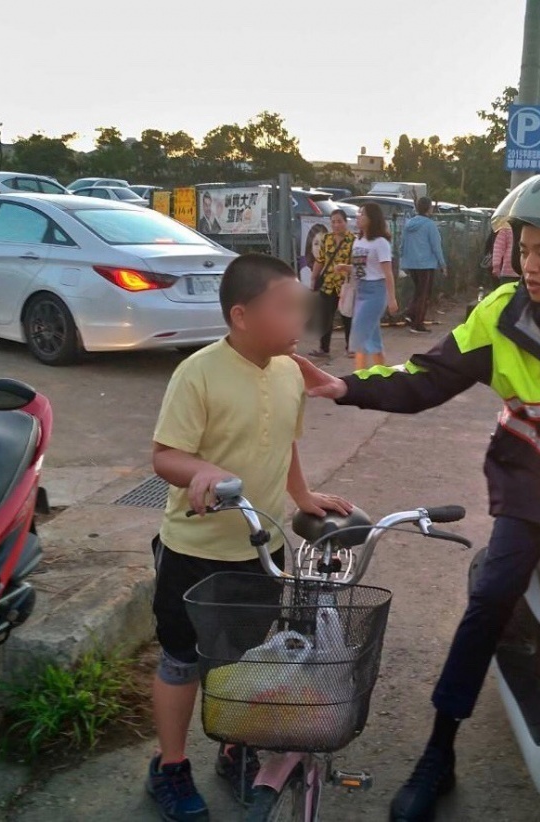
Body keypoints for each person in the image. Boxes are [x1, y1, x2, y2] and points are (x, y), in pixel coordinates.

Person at [294, 173, 540, 822]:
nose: (526, 265)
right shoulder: (501, 315)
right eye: (522, 249)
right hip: (529, 484)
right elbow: (429, 378)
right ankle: (438, 751)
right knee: (489, 600)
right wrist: (346, 389)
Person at [146, 253, 353, 822]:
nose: (299, 319)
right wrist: (201, 471)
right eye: (286, 308)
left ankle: (234, 748)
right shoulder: (198, 373)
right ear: (241, 315)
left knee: (246, 659)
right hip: (196, 552)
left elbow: (284, 442)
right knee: (182, 661)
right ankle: (169, 766)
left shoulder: (289, 371)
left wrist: (304, 498)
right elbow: (165, 455)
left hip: (263, 549)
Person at [346, 202, 399, 370]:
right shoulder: (358, 241)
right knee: (373, 340)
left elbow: (387, 272)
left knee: (359, 338)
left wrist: (392, 299)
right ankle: (383, 376)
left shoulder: (380, 242)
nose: (358, 217)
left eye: (362, 214)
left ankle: (360, 378)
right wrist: (345, 268)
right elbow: (360, 268)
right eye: (358, 213)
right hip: (360, 290)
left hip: (376, 292)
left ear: (372, 218)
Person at [308, 210, 356, 360]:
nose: (336, 225)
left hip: (345, 284)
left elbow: (357, 264)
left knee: (347, 316)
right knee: (325, 316)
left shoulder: (353, 240)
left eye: (339, 221)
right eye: (333, 222)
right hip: (328, 283)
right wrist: (313, 279)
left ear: (346, 222)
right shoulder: (326, 239)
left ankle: (351, 347)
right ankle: (324, 348)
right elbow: (320, 260)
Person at [399, 196, 447, 333]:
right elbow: (436, 246)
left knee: (418, 291)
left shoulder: (409, 224)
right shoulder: (430, 225)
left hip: (411, 263)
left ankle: (411, 314)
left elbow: (402, 244)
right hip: (426, 264)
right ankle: (417, 323)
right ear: (428, 208)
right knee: (424, 294)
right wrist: (442, 264)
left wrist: (403, 260)